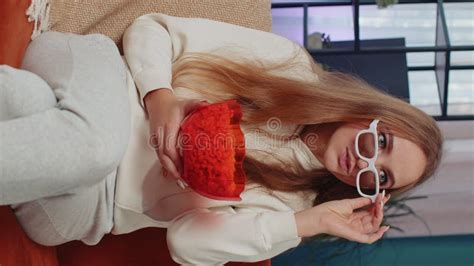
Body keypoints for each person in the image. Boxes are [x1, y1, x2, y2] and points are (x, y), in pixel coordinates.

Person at [0, 13, 443, 265]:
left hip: (90, 204)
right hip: (103, 81)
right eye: (380, 143)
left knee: (30, 105)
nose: (363, 164)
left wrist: (310, 224)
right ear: (373, 115)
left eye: (380, 178)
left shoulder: (289, 212)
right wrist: (159, 98)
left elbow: (185, 244)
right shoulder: (288, 64)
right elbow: (154, 29)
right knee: (94, 148)